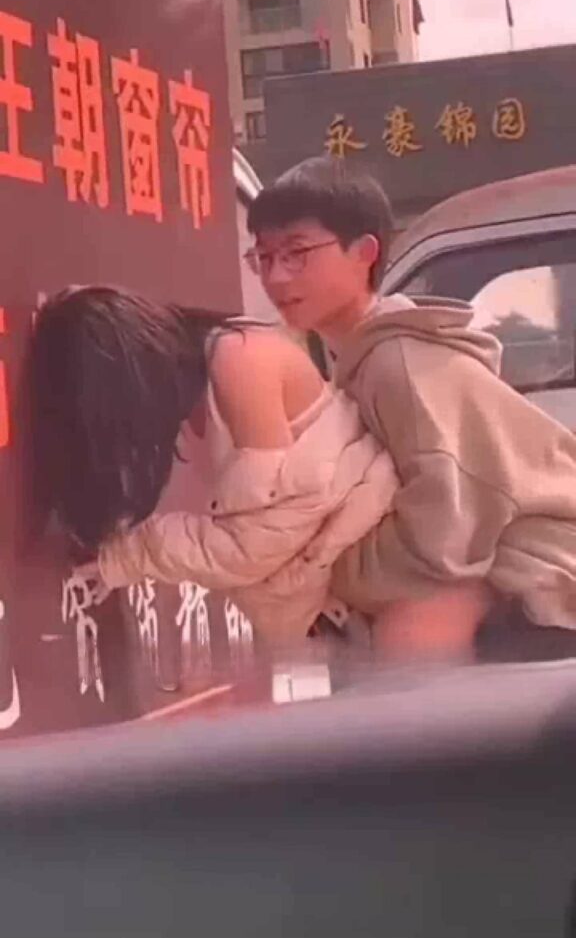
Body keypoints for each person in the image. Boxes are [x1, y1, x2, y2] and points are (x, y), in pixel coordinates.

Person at [246, 156, 576, 660]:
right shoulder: (360, 357)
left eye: (297, 253)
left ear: (365, 253)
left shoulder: (396, 362)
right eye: (264, 258)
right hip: (504, 563)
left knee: (415, 639)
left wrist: (328, 568)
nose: (277, 276)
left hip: (546, 575)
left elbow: (442, 535)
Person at [28, 285, 398, 647]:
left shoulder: (241, 362)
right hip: (355, 593)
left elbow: (254, 546)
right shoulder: (198, 382)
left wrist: (130, 555)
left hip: (392, 569)